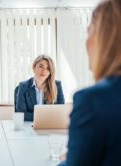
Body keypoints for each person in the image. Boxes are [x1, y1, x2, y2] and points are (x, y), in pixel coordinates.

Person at [59, 0, 121, 165]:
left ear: (104, 38)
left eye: (89, 31)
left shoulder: (92, 101)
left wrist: (68, 159)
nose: (85, 42)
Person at [15, 55, 65, 121]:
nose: (44, 70)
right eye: (41, 66)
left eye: (48, 68)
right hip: (29, 126)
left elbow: (61, 112)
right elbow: (21, 114)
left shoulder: (57, 85)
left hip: (50, 126)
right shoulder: (23, 86)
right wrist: (46, 117)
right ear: (33, 67)